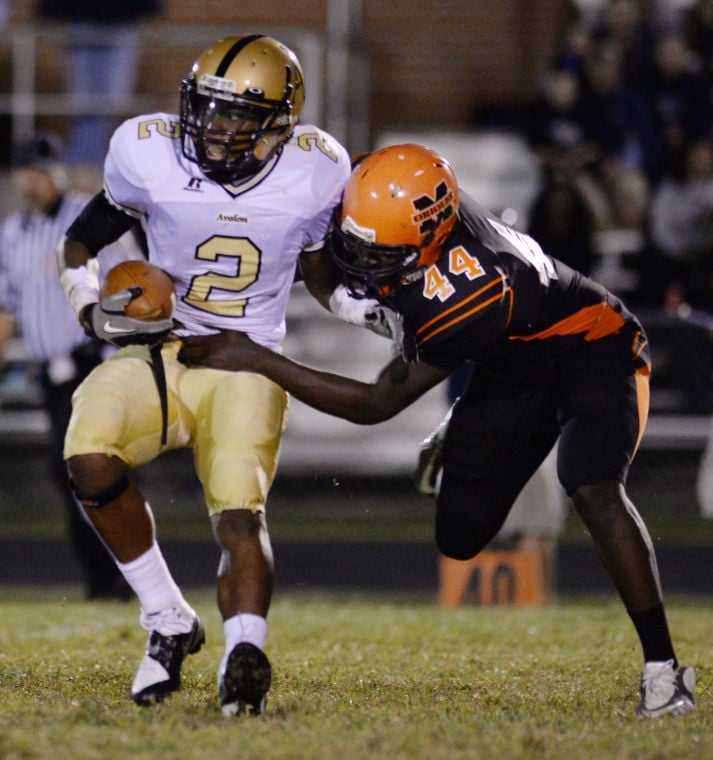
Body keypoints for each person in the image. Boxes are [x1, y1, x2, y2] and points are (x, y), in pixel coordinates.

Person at [178, 143, 696, 719]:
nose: (362, 259)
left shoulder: (465, 302)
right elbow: (349, 268)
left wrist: (258, 358)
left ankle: (664, 670)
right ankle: (462, 429)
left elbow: (378, 402)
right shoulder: (410, 199)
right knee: (459, 537)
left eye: (381, 254)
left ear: (427, 240)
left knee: (590, 482)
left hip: (597, 353)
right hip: (511, 364)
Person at [55, 34, 382, 715]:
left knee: (237, 510)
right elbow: (81, 238)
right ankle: (168, 619)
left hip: (245, 359)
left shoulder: (314, 172)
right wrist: (89, 307)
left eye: (236, 115)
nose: (213, 127)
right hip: (164, 348)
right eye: (205, 108)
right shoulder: (148, 153)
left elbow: (321, 277)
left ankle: (243, 653)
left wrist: (362, 308)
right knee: (86, 452)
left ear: (278, 125)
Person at [0, 132, 139, 599]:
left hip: (92, 366)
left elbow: (132, 281)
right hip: (51, 377)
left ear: (60, 170)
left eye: (41, 172)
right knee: (75, 477)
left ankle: (118, 577)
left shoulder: (88, 216)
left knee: (88, 470)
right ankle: (107, 579)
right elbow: (6, 308)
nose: (33, 183)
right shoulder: (13, 233)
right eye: (26, 173)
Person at [35, 0, 163, 169]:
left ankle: (96, 157)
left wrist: (150, 10)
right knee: (82, 99)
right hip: (81, 26)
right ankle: (85, 156)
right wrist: (48, 12)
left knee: (114, 100)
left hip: (121, 27)